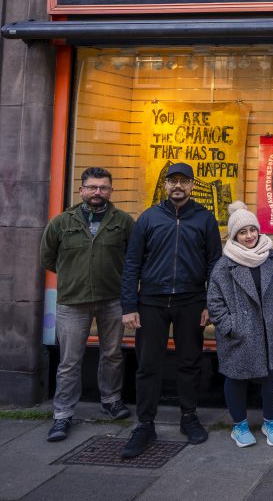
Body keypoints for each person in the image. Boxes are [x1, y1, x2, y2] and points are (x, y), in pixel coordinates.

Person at [120, 162, 222, 459]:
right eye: (172, 181)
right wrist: (129, 305)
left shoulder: (205, 219)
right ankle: (145, 424)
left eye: (184, 182)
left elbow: (214, 264)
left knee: (189, 362)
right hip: (150, 301)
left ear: (192, 186)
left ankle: (188, 417)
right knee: (148, 365)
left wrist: (209, 304)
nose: (178, 186)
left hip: (191, 302)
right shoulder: (149, 218)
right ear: (165, 185)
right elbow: (131, 264)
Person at [39, 167, 135, 442]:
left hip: (113, 299)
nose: (97, 192)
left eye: (103, 187)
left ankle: (111, 400)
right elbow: (48, 258)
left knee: (112, 354)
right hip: (72, 300)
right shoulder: (61, 222)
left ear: (111, 190)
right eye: (92, 187)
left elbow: (134, 259)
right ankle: (62, 415)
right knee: (69, 361)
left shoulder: (123, 222)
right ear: (81, 190)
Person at [207, 202, 273, 448]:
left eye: (252, 230)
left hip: (270, 329)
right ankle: (239, 426)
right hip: (240, 332)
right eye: (243, 232)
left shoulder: (271, 256)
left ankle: (270, 422)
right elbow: (214, 300)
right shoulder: (225, 264)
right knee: (236, 378)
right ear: (235, 236)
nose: (249, 236)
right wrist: (231, 325)